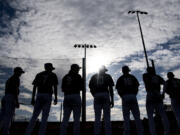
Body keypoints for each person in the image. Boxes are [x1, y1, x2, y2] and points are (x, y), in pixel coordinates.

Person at [24, 63, 58, 135]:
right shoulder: (53, 75)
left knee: (35, 115)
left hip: (39, 95)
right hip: (47, 95)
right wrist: (56, 97)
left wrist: (33, 98)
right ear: (50, 68)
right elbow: (55, 87)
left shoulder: (39, 74)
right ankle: (41, 133)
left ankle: (27, 133)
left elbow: (34, 87)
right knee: (45, 116)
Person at [116, 66, 144, 135]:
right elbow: (137, 86)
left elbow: (118, 89)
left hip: (125, 96)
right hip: (132, 95)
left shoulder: (120, 78)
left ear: (122, 71)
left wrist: (122, 96)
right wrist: (134, 94)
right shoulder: (132, 77)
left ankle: (127, 133)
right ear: (128, 70)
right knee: (137, 116)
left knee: (126, 117)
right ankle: (140, 133)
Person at [143, 67, 169, 135]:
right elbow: (165, 83)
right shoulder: (157, 76)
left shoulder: (145, 75)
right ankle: (166, 131)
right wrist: (163, 93)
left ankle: (153, 133)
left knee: (150, 116)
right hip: (157, 93)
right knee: (163, 114)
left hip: (150, 94)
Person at [89, 65, 114, 135]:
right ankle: (108, 133)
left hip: (97, 94)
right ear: (104, 70)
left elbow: (90, 88)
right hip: (105, 94)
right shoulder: (108, 76)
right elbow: (111, 89)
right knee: (107, 117)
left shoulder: (94, 76)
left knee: (97, 117)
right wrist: (112, 100)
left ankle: (96, 133)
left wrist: (94, 95)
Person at [0, 67, 25, 135]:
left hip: (5, 97)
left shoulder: (9, 79)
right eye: (20, 72)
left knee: (2, 116)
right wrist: (16, 101)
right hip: (11, 97)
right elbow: (15, 90)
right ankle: (5, 132)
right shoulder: (16, 78)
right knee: (9, 116)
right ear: (16, 72)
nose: (20, 74)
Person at [59, 64, 82, 135]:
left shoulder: (65, 77)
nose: (78, 70)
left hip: (67, 96)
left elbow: (62, 89)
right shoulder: (78, 76)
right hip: (75, 96)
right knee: (76, 118)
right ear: (74, 69)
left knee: (65, 118)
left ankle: (62, 133)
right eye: (78, 69)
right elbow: (81, 88)